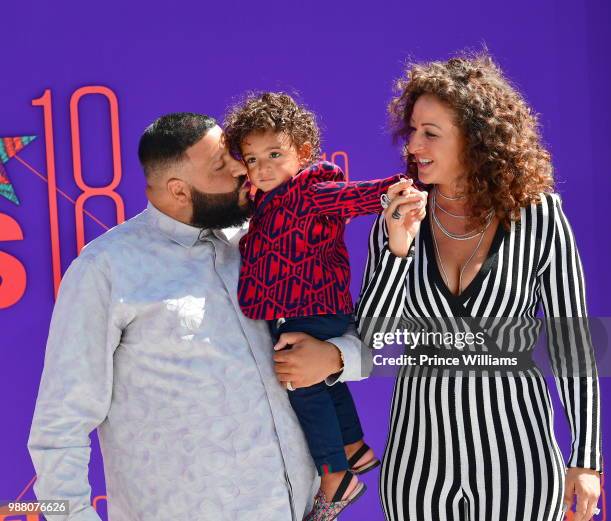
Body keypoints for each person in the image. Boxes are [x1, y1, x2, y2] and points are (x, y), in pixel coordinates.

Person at [27, 112, 367, 521]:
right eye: (221, 166)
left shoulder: (267, 237)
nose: (244, 169)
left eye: (235, 156)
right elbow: (59, 425)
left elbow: (364, 345)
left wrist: (337, 358)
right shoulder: (106, 269)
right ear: (179, 190)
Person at [356, 54, 602, 521]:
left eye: (431, 133)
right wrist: (398, 249)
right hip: (417, 459)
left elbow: (573, 342)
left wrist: (586, 457)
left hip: (519, 455)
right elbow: (373, 338)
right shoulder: (395, 216)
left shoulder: (539, 216)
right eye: (411, 131)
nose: (413, 145)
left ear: (475, 138)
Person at [223, 92, 399, 519]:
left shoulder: (308, 191)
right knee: (324, 382)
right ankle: (354, 447)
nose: (262, 167)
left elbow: (352, 197)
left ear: (303, 153)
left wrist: (398, 191)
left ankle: (335, 473)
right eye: (252, 158)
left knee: (300, 384)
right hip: (307, 306)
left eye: (274, 154)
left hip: (309, 306)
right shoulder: (267, 196)